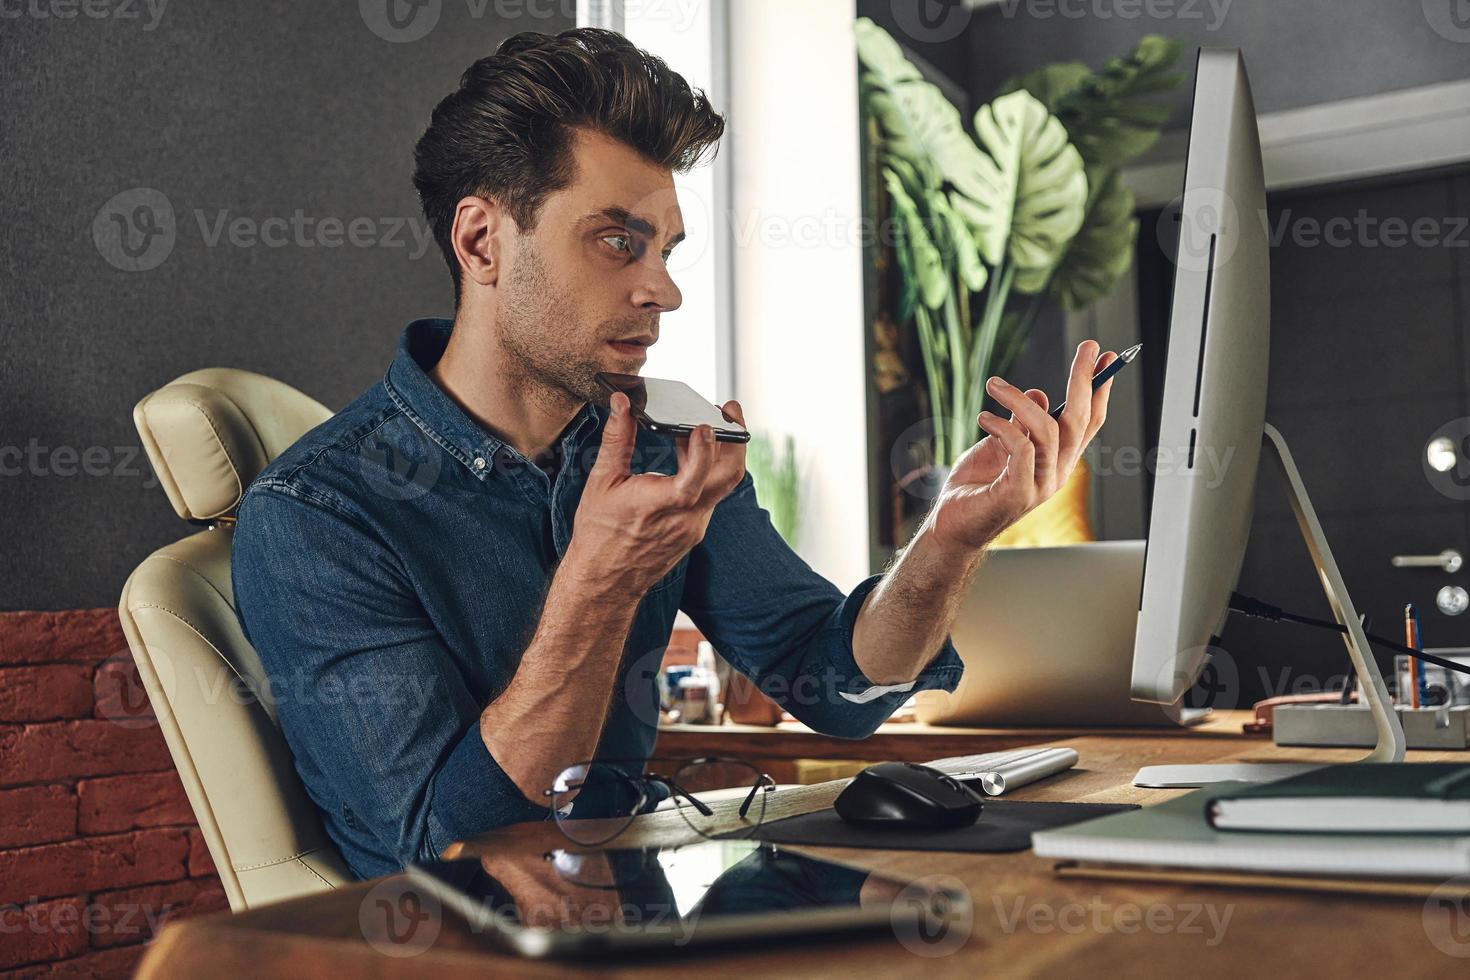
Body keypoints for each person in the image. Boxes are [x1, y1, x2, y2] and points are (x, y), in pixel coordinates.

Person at [231, 28, 1117, 879]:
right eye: (619, 241)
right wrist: (600, 583)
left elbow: (841, 688)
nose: (664, 290)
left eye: (665, 248)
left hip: (649, 910)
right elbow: (453, 860)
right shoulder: (318, 517)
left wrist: (950, 540)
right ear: (481, 241)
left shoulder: (664, 448)